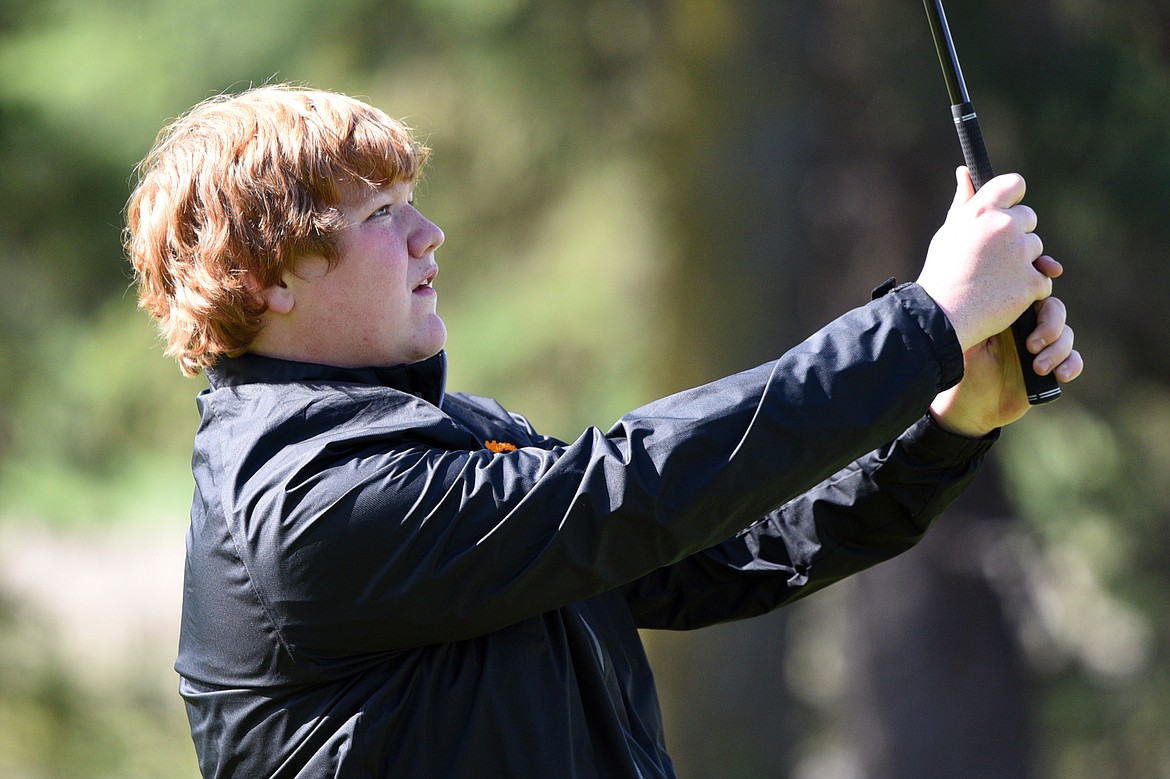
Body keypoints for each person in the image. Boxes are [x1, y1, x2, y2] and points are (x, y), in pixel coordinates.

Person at [124, 84, 1081, 778]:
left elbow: (720, 547)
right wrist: (924, 322)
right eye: (381, 213)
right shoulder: (304, 500)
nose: (429, 236)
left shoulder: (453, 439)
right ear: (267, 280)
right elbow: (630, 491)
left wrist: (948, 428)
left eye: (411, 203)